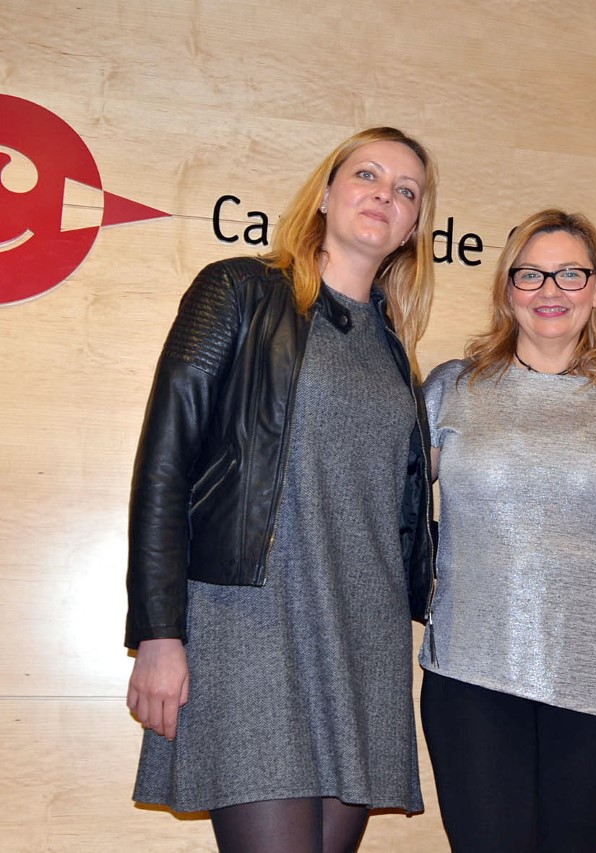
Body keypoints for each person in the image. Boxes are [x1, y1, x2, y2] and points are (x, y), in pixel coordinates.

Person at [124, 126, 438, 852]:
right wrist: (158, 630)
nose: (383, 196)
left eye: (406, 191)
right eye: (367, 175)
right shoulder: (238, 290)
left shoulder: (395, 350)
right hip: (250, 622)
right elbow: (165, 462)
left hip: (362, 636)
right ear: (326, 195)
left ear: (415, 226)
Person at [418, 209, 596, 853]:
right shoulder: (453, 389)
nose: (550, 290)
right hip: (472, 665)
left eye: (568, 274)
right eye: (530, 275)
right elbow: (378, 504)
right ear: (508, 289)